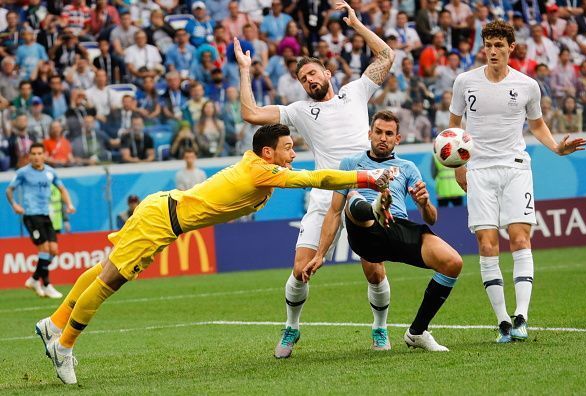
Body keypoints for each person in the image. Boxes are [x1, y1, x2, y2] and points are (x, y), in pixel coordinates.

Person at [34, 124, 393, 385]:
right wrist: (366, 177)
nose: (293, 154)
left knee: (105, 268)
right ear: (269, 153)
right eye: (287, 148)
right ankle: (63, 347)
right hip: (161, 220)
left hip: (161, 209)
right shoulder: (261, 171)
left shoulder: (258, 164)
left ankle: (54, 322)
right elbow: (318, 179)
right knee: (110, 280)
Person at [234, 0, 395, 359]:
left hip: (363, 189)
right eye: (303, 78)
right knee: (299, 269)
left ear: (328, 74)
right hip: (325, 196)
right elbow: (249, 113)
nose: (309, 80)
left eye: (313, 74)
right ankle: (291, 328)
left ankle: (380, 330)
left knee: (373, 271)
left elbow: (386, 55)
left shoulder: (356, 91)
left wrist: (356, 24)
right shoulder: (300, 111)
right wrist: (245, 70)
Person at [449, 20, 586, 343]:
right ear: (483, 47)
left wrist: (555, 147)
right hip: (479, 170)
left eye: (499, 45)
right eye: (488, 45)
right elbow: (454, 126)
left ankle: (521, 316)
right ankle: (502, 323)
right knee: (486, 243)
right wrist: (457, 165)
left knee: (520, 238)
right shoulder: (464, 82)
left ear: (511, 48)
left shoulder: (527, 85)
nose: (493, 51)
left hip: (515, 168)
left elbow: (537, 125)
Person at [303, 110, 463, 351]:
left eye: (389, 134)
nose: (383, 137)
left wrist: (424, 203)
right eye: (378, 132)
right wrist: (320, 254)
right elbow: (334, 212)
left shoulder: (407, 167)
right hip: (364, 229)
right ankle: (376, 207)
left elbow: (431, 218)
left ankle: (417, 332)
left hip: (396, 226)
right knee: (353, 197)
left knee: (453, 263)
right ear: (369, 134)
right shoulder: (350, 164)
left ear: (397, 139)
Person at [5, 143, 75, 299]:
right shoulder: (23, 173)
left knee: (54, 251)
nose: (36, 157)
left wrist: (69, 204)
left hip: (46, 215)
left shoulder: (50, 172)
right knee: (44, 249)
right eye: (33, 154)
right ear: (29, 156)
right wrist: (15, 205)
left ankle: (36, 279)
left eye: (39, 153)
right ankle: (46, 284)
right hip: (31, 215)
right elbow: (9, 189)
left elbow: (62, 188)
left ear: (44, 155)